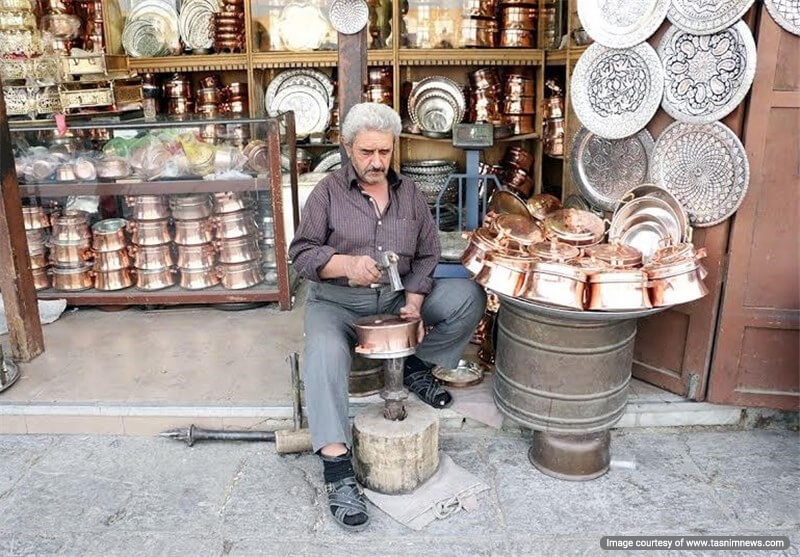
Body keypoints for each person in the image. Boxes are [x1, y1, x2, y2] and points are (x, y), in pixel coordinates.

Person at [288, 102, 486, 531]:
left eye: (384, 151)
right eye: (366, 153)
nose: (376, 162)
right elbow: (300, 254)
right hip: (337, 303)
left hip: (395, 299)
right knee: (322, 351)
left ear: (394, 148)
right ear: (347, 148)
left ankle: (414, 364)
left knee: (467, 297)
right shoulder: (327, 193)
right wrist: (343, 264)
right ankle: (338, 469)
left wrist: (415, 300)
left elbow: (429, 253)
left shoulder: (410, 194)